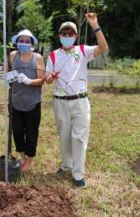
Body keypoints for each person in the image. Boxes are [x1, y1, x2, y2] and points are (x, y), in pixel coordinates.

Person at [45, 13, 108, 188]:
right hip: (60, 101)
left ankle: (78, 173)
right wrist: (50, 78)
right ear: (59, 36)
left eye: (70, 34)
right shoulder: (53, 56)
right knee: (64, 136)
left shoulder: (82, 51)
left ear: (75, 36)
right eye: (64, 34)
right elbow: (48, 78)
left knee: (79, 137)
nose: (67, 36)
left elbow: (103, 47)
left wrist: (95, 25)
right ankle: (66, 166)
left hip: (80, 101)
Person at [9, 29, 45, 171]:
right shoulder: (12, 55)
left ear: (32, 44)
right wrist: (9, 78)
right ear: (17, 42)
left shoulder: (37, 58)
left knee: (31, 133)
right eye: (21, 41)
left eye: (27, 41)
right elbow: (8, 74)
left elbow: (41, 80)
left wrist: (29, 81)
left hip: (33, 102)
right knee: (17, 132)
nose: (24, 43)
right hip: (16, 101)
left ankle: (29, 160)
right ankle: (22, 156)